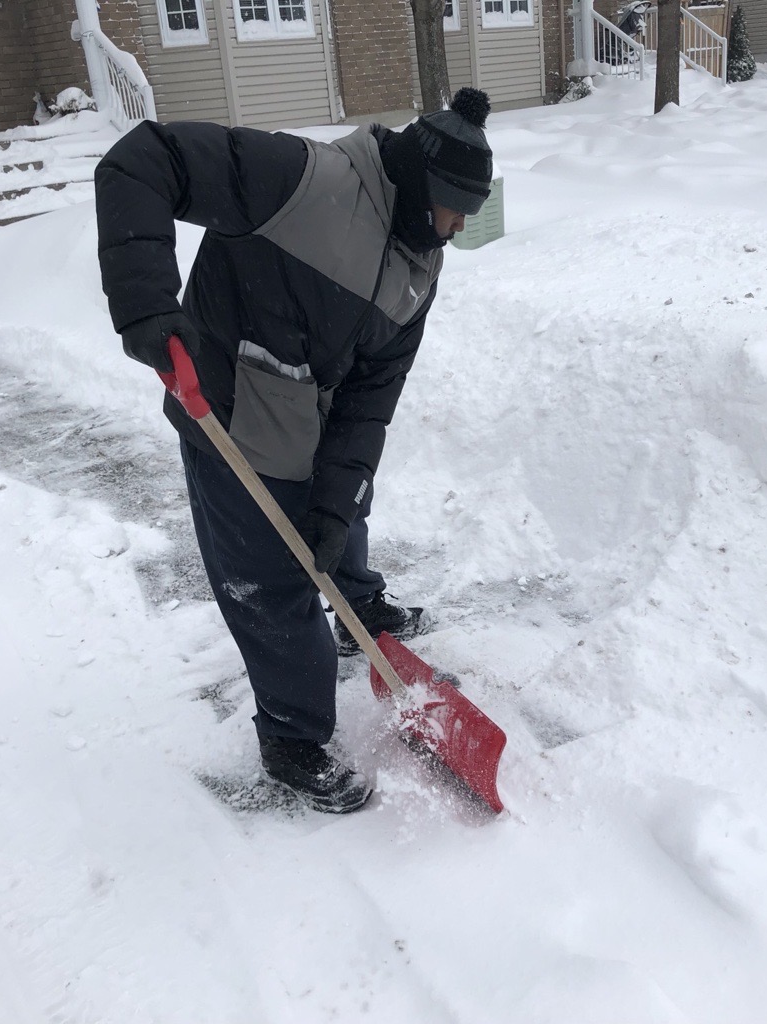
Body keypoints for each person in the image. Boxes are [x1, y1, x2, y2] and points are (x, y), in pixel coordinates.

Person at [94, 88, 494, 814]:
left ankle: (357, 610)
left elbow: (373, 397)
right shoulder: (303, 177)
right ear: (421, 186)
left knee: (339, 517)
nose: (459, 227)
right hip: (230, 412)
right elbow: (143, 160)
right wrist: (146, 302)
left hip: (318, 417)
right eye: (454, 210)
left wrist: (338, 501)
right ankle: (293, 737)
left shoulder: (419, 265)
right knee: (269, 580)